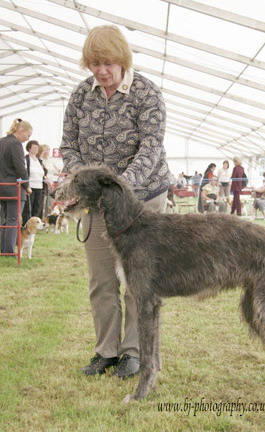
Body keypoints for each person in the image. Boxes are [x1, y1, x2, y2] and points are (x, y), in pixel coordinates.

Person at [60, 25, 171, 378]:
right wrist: (84, 180)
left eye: (107, 62)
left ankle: (134, 352)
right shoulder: (80, 95)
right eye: (94, 63)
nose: (101, 70)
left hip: (143, 200)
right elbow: (69, 145)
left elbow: (150, 147)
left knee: (140, 282)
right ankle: (106, 351)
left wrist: (119, 187)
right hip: (96, 203)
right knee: (102, 280)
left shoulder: (147, 93)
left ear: (122, 59)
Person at [0, 119, 32, 255]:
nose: (27, 139)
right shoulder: (16, 144)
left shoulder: (1, 141)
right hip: (14, 188)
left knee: (3, 220)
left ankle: (2, 248)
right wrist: (27, 185)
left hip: (1, 186)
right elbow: (20, 168)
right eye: (28, 135)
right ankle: (8, 251)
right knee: (13, 220)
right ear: (21, 131)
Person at [22, 140, 47, 226]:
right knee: (28, 207)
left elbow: (42, 173)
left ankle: (36, 225)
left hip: (39, 186)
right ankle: (26, 225)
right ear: (29, 148)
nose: (36, 149)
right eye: (34, 147)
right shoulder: (26, 159)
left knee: (37, 207)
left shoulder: (39, 161)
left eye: (37, 147)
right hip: (30, 186)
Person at [37, 144, 62, 217]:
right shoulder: (41, 161)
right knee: (43, 202)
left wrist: (62, 174)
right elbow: (43, 173)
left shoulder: (50, 160)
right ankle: (41, 217)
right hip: (44, 183)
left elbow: (56, 171)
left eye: (48, 150)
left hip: (52, 183)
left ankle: (48, 218)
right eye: (45, 150)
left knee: (50, 203)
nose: (47, 152)